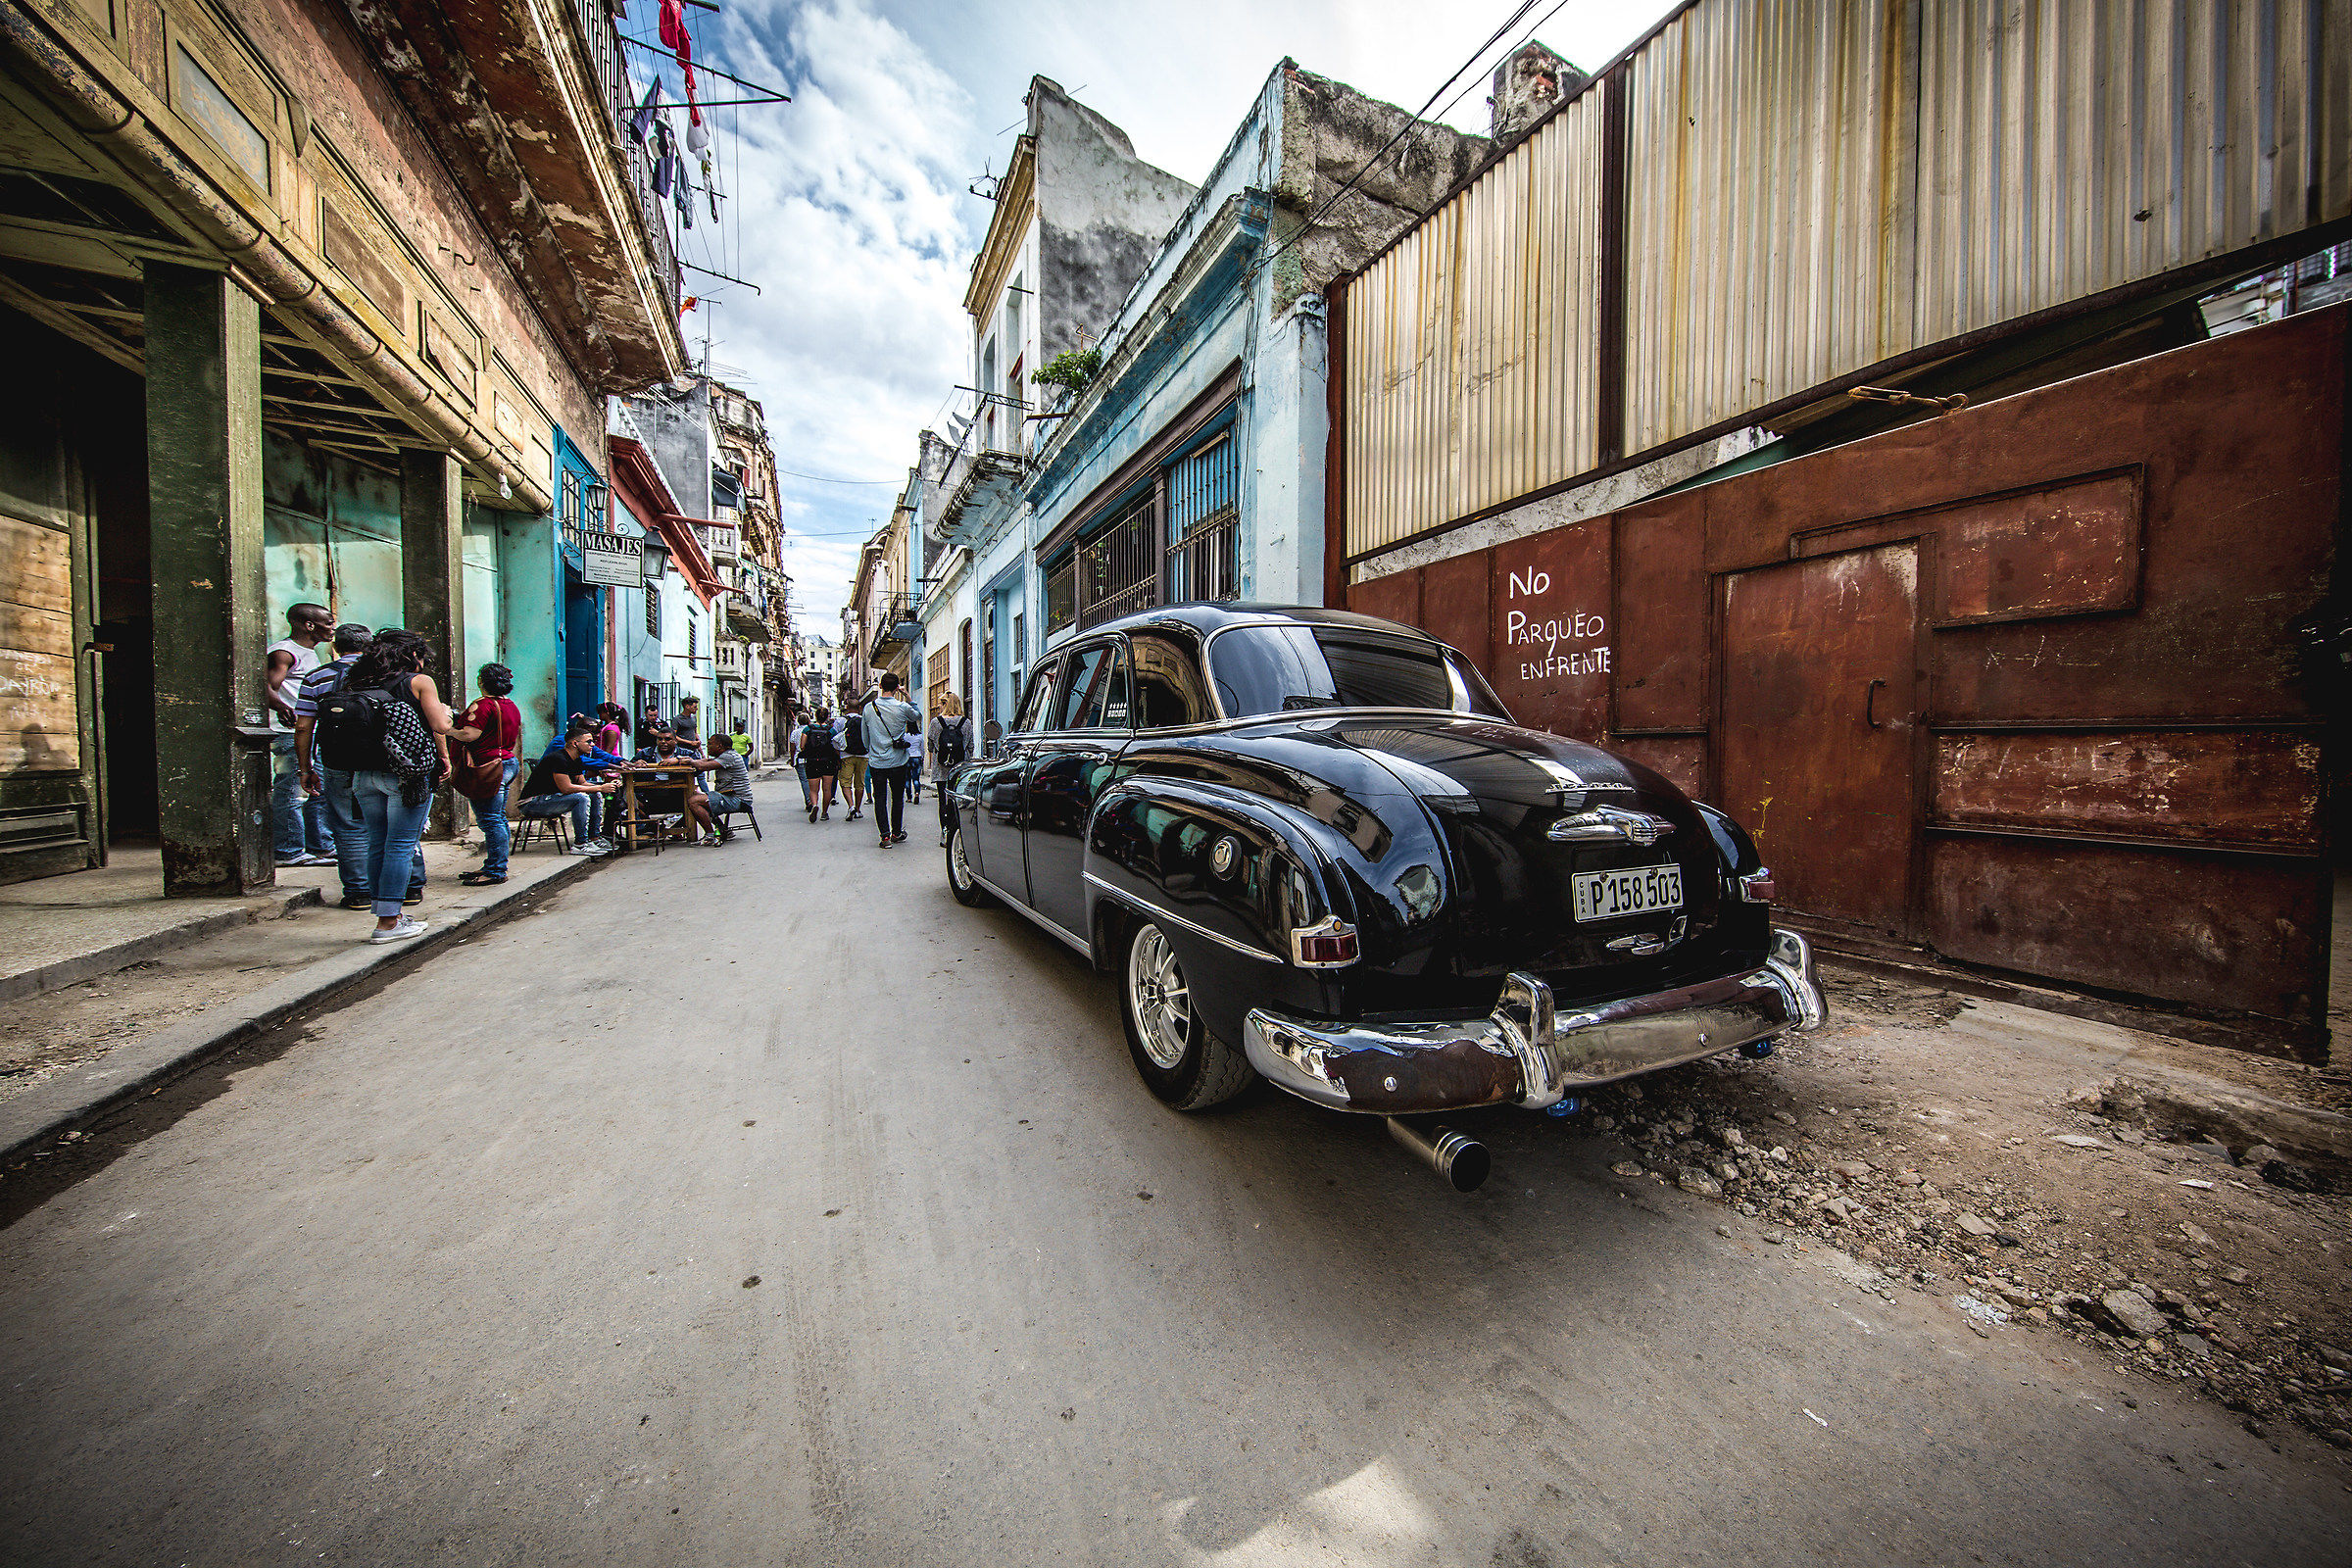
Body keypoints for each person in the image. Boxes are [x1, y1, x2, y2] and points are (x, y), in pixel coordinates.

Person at [334, 627, 454, 943]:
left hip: (363, 776)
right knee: (401, 846)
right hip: (406, 777)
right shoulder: (418, 682)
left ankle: (387, 914)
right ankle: (388, 923)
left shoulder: (357, 681)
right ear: (413, 654)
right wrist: (448, 718)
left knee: (377, 844)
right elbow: (439, 726)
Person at [295, 622, 418, 911]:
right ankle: (409, 887)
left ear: (335, 647)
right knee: (398, 825)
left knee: (348, 825)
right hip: (385, 759)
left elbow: (303, 726)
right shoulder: (386, 675)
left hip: (337, 760)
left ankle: (359, 892)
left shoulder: (317, 677)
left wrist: (306, 767)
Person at [266, 603, 335, 867]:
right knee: (292, 792)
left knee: (317, 789)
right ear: (309, 625)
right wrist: (283, 707)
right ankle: (288, 851)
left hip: (310, 733)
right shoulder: (284, 652)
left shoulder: (308, 653)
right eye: (327, 623)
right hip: (289, 733)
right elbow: (268, 686)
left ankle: (321, 847)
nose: (332, 628)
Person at [450, 663, 523, 886]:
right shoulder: (510, 705)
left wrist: (446, 728)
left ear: (482, 681)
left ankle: (495, 870)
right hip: (506, 762)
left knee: (490, 819)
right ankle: (494, 865)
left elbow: (469, 734)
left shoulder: (483, 705)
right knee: (497, 817)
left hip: (488, 765)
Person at [517, 719, 618, 857]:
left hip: (551, 799)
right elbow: (566, 788)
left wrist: (603, 786)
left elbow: (583, 784)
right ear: (575, 743)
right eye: (588, 742)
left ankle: (594, 838)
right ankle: (580, 844)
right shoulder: (559, 758)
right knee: (581, 798)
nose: (593, 744)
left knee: (594, 794)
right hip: (532, 803)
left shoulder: (576, 759)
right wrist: (600, 788)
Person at [628, 726, 721, 844]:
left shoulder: (685, 753)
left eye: (667, 739)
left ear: (675, 741)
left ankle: (719, 829)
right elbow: (630, 766)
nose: (663, 742)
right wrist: (636, 763)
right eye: (660, 739)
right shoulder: (645, 753)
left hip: (677, 796)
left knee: (698, 800)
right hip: (650, 796)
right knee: (630, 801)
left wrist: (679, 760)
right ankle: (650, 829)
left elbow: (698, 766)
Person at [860, 673, 920, 849]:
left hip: (877, 761)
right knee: (897, 798)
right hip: (898, 761)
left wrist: (871, 750)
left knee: (880, 798)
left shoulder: (869, 708)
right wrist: (907, 695)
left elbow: (865, 737)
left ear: (880, 685)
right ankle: (896, 832)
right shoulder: (902, 707)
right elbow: (916, 715)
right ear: (896, 688)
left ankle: (885, 837)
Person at [931, 691, 974, 846]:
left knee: (943, 800)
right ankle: (957, 831)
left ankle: (944, 832)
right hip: (960, 769)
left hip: (941, 769)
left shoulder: (936, 723)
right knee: (957, 800)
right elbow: (970, 747)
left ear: (945, 704)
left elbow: (930, 747)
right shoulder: (966, 722)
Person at [701, 732, 756, 842]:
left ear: (719, 746)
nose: (708, 746)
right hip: (731, 796)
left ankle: (711, 835)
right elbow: (706, 761)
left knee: (694, 801)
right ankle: (723, 829)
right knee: (697, 799)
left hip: (737, 799)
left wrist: (689, 762)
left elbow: (703, 766)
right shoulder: (727, 755)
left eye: (710, 744)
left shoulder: (728, 756)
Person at [799, 706, 840, 821]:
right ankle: (824, 813)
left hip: (812, 761)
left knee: (813, 790)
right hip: (828, 761)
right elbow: (836, 746)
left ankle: (815, 804)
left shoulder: (807, 729)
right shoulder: (831, 730)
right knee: (827, 789)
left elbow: (802, 746)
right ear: (827, 717)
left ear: (815, 715)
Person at [839, 693, 869, 821]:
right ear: (860, 708)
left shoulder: (841, 721)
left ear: (846, 707)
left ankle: (850, 806)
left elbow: (835, 739)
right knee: (860, 784)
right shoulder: (865, 720)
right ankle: (857, 809)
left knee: (845, 783)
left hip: (846, 755)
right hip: (863, 755)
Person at [905, 713, 924, 806]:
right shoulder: (920, 736)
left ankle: (909, 797)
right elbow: (922, 748)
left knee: (907, 779)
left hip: (908, 758)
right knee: (916, 778)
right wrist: (922, 757)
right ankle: (917, 793)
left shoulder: (905, 736)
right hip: (917, 757)